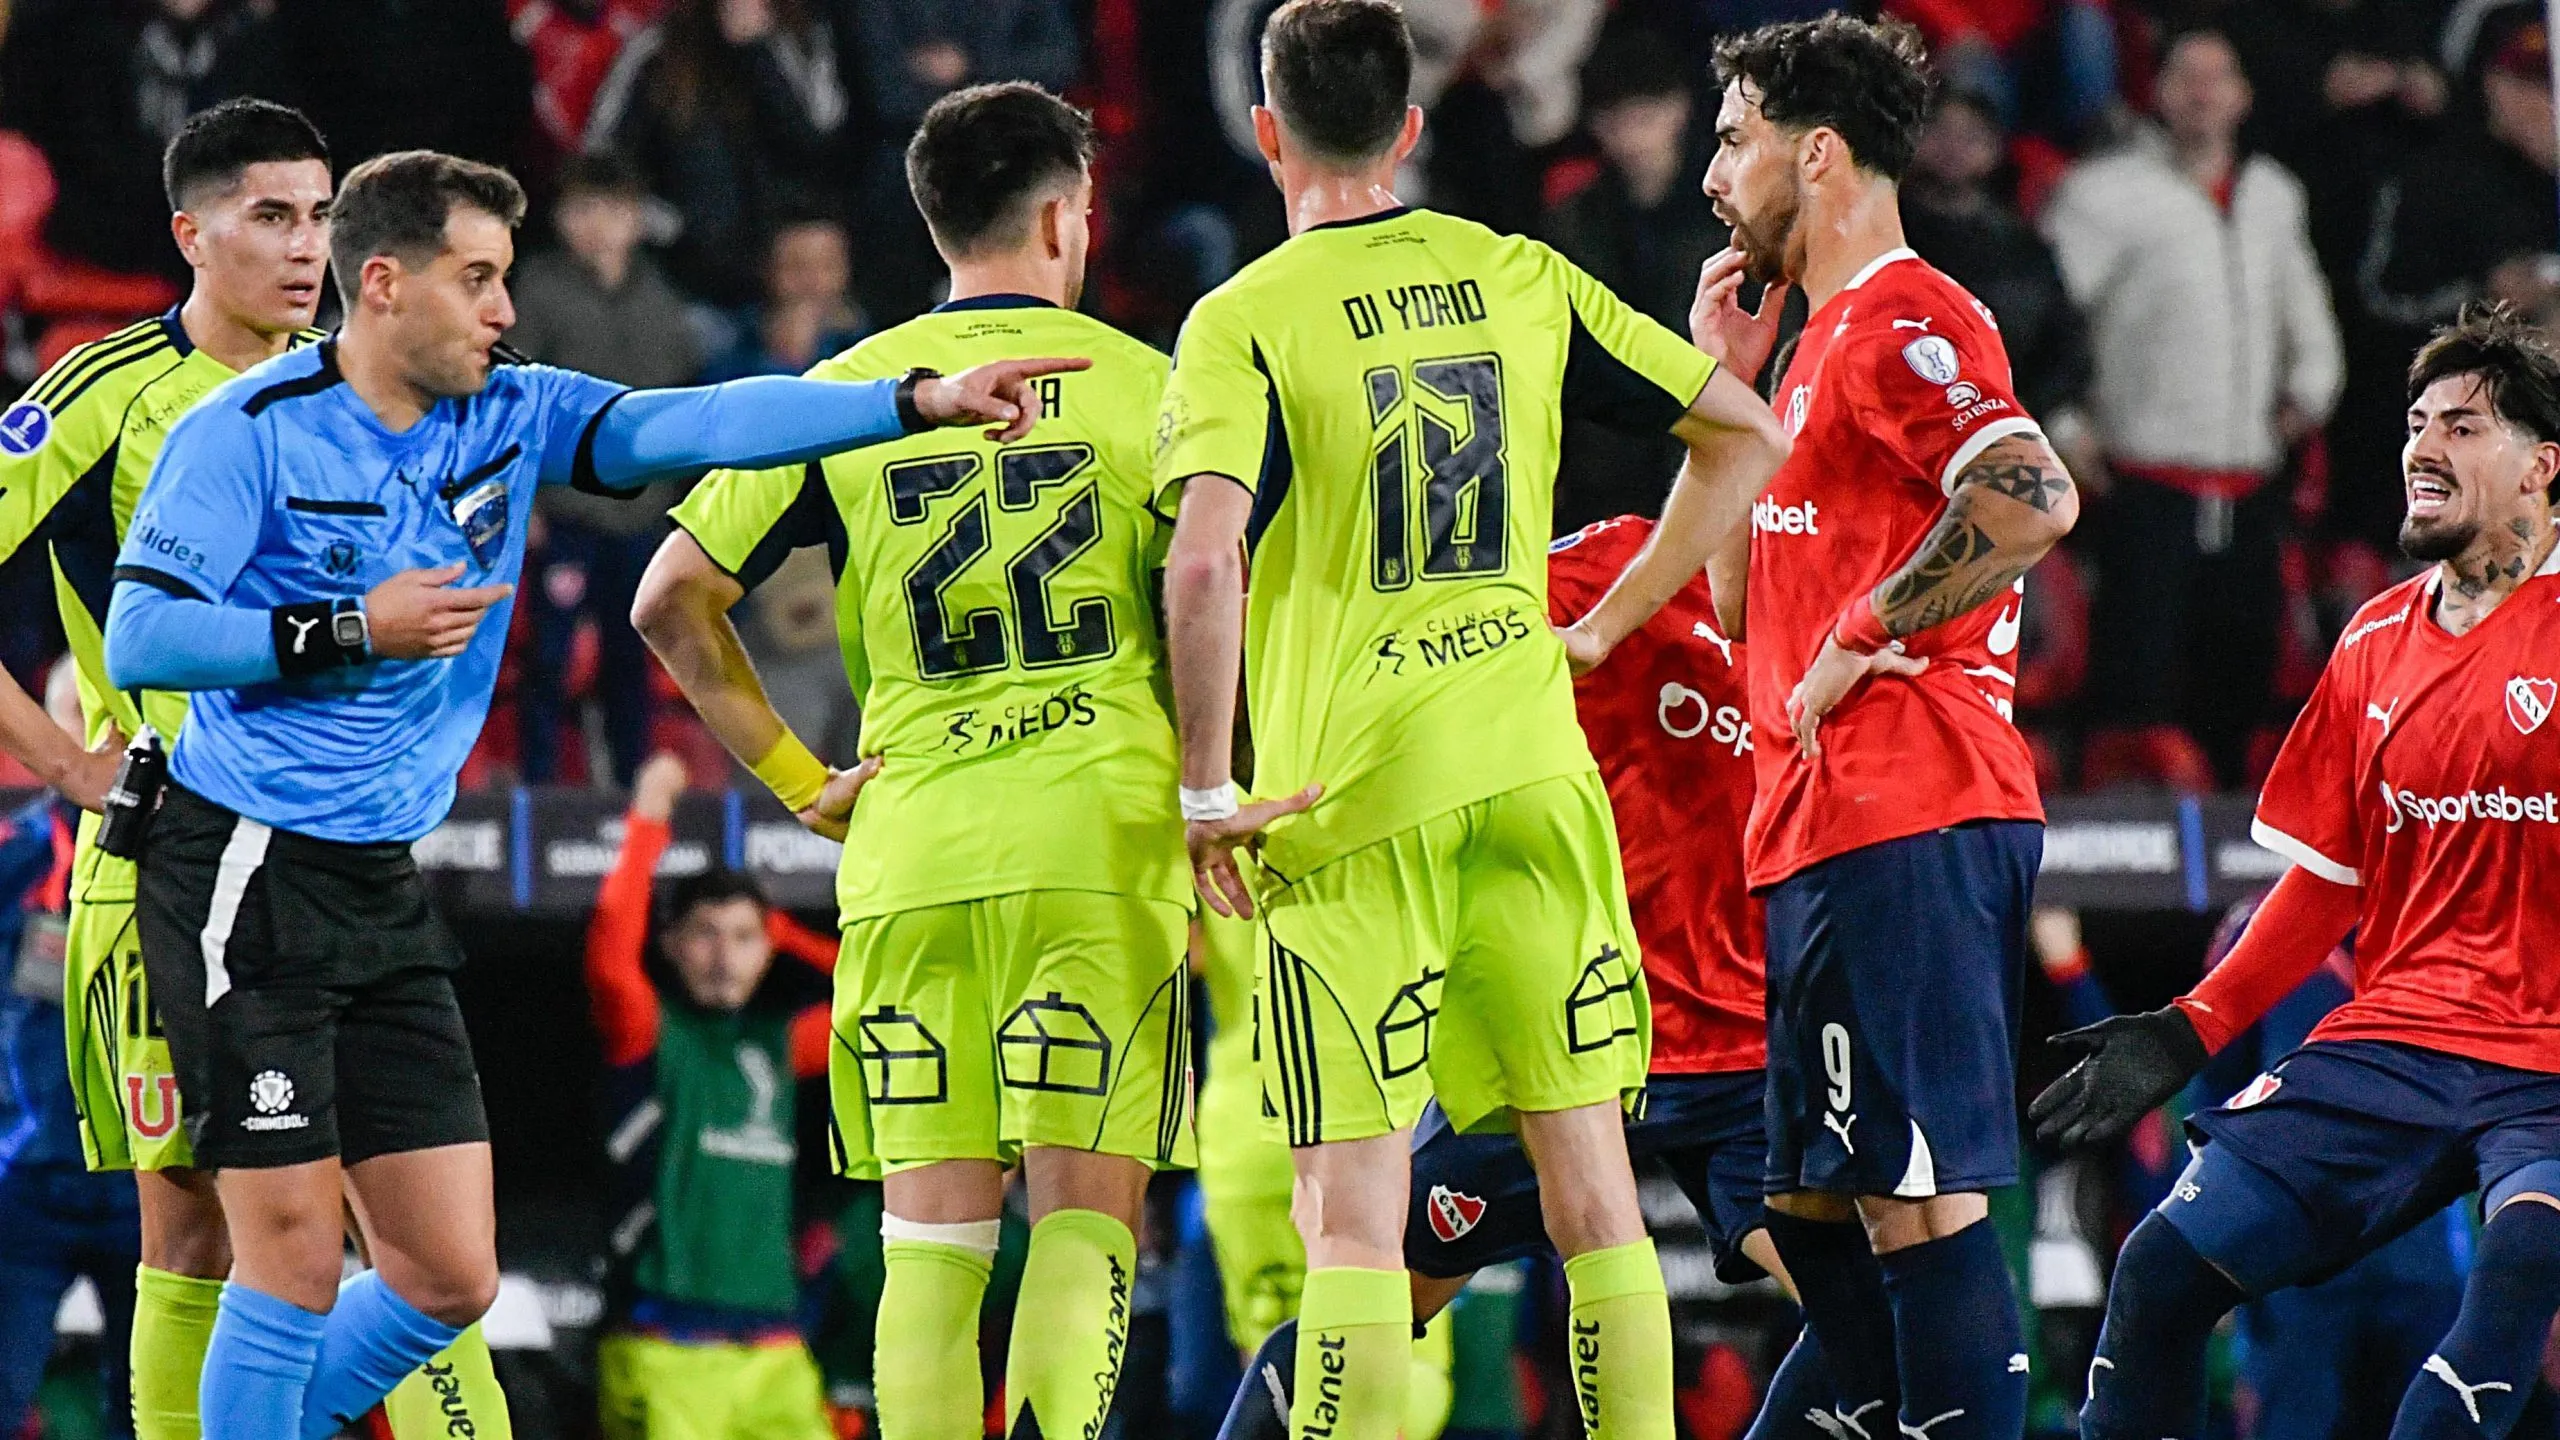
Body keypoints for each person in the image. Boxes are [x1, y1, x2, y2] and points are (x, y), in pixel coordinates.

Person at [96, 145, 1079, 1440]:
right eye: (480, 278)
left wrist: (912, 399)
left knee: (448, 1277)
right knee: (282, 1250)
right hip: (245, 863)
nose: (506, 310)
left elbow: (701, 421)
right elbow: (142, 640)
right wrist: (344, 627)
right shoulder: (250, 434)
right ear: (383, 284)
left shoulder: (511, 407)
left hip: (379, 878)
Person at [1155, 3, 1792, 1435]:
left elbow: (1202, 557)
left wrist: (1206, 787)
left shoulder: (1243, 316)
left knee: (1357, 1226)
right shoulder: (1516, 270)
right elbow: (1747, 434)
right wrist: (1616, 616)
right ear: (1412, 128)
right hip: (1530, 771)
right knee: (1594, 1200)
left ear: (1269, 133)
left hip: (1350, 802)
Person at [633, 82, 1191, 1439]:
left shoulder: (844, 391)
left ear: (930, 217)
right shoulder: (1157, 388)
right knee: (1083, 1219)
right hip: (1100, 851)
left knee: (931, 1244)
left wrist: (796, 781)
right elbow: (1223, 596)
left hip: (911, 851)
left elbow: (668, 599)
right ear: (1067, 215)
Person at [0, 98, 516, 1440]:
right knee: (196, 1234)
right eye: (273, 216)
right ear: (192, 233)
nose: (308, 247)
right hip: (170, 863)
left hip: (342, 858)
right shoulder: (102, 395)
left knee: (415, 1240)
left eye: (325, 215)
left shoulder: (381, 381)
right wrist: (61, 761)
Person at [2031, 304, 2560, 1440]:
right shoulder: (2371, 640)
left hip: (2552, 1064)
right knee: (2158, 1272)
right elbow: (2327, 880)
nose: (2422, 447)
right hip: (2398, 1040)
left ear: (2541, 468)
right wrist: (2187, 1028)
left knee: (2516, 1272)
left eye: (2463, 429)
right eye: (2416, 424)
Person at [1212, 512, 1846, 1440]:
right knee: (1372, 1293)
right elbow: (1403, 644)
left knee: (1876, 1321)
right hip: (1574, 1018)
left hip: (1745, 1047)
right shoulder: (1610, 565)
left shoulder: (1839, 607)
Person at [1696, 15, 2080, 1439]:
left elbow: (2033, 497)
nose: (1713, 177)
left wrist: (1872, 631)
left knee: (1915, 1200)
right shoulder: (1806, 353)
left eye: (1733, 141)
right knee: (1817, 1206)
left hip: (1908, 804)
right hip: (1816, 826)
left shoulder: (1908, 316)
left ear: (1820, 153)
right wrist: (1724, 391)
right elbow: (1740, 613)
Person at [2040, 26, 2343, 785]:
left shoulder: (2274, 194)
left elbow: (2304, 312)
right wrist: (2066, 428)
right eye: (2185, 76)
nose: (2202, 93)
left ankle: (2240, 884)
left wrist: (2311, 389)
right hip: (2143, 488)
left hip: (2249, 488)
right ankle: (2125, 890)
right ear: (2157, 90)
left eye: (2219, 76)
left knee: (2240, 690)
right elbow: (2047, 327)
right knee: (2131, 693)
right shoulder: (2102, 195)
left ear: (2243, 95)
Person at [586, 753, 837, 1440]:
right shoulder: (648, 1033)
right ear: (671, 943)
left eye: (745, 938)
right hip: (663, 1348)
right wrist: (649, 816)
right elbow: (610, 948)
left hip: (777, 1351)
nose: (725, 955)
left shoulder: (781, 1046)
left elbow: (888, 1000)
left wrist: (790, 934)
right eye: (705, 934)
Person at [507, 149, 706, 787]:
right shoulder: (536, 286)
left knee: (634, 658)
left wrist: (681, 509)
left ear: (637, 218)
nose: (598, 225)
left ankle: (630, 789)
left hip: (642, 514)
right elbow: (515, 398)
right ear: (561, 218)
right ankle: (537, 795)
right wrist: (526, 502)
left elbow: (682, 405)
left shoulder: (663, 295)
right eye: (583, 209)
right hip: (567, 511)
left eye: (613, 210)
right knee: (552, 659)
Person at [0, 659, 141, 1440]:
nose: (97, 741)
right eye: (76, 721)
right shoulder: (15, 856)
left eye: (107, 720)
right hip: (27, 1180)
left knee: (150, 1411)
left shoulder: (179, 859)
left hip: (150, 1184)